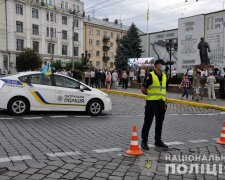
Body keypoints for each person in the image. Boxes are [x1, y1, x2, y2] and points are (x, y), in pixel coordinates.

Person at [141, 59, 168, 150]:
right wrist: (150, 96)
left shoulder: (165, 76)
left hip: (161, 102)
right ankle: (144, 142)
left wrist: (165, 101)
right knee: (148, 122)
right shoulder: (150, 75)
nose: (163, 66)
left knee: (159, 122)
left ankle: (158, 140)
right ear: (156, 65)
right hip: (151, 103)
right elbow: (143, 89)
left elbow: (164, 90)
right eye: (162, 64)